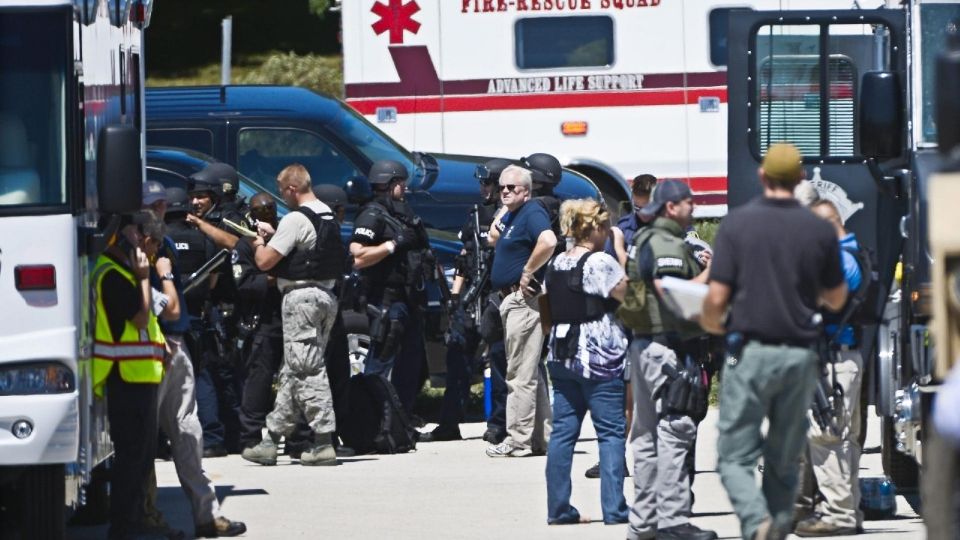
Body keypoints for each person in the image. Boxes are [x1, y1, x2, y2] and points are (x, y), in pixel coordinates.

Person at [702, 143, 848, 540]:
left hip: (751, 352)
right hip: (800, 357)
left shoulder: (737, 226)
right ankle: (776, 527)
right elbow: (836, 297)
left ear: (763, 177)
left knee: (734, 456)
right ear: (801, 179)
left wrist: (712, 325)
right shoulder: (818, 229)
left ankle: (756, 520)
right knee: (784, 459)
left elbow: (716, 300)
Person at [136, 200, 246, 538]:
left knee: (188, 431)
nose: (160, 211)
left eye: (163, 206)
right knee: (141, 444)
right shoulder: (129, 253)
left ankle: (206, 515)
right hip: (145, 356)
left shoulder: (163, 243)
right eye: (153, 206)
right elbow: (160, 304)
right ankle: (146, 517)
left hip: (173, 345)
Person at [620, 179, 716, 540]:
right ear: (671, 207)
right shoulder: (664, 243)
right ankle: (673, 521)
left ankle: (644, 524)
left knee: (645, 438)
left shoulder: (645, 238)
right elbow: (672, 295)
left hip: (646, 346)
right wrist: (714, 272)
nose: (694, 207)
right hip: (666, 350)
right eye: (688, 202)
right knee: (676, 433)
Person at [242, 164, 343, 466]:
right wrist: (277, 234)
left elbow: (264, 262)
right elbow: (307, 247)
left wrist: (259, 241)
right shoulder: (326, 213)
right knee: (294, 371)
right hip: (325, 297)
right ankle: (271, 440)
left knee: (308, 370)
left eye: (283, 191)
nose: (282, 198)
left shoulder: (295, 218)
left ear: (291, 189)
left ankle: (324, 441)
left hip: (301, 300)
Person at [543, 199, 630, 525]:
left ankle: (559, 508)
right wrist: (621, 253)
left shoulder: (556, 264)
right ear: (593, 227)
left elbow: (547, 308)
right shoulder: (601, 263)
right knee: (610, 432)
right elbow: (631, 297)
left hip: (562, 352)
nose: (609, 232)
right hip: (599, 356)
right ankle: (615, 509)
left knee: (564, 432)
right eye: (606, 226)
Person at [420, 159, 511, 443]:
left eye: (487, 183)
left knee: (498, 362)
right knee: (457, 360)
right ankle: (449, 423)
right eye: (481, 183)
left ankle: (498, 425)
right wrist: (456, 297)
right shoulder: (475, 215)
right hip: (471, 298)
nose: (482, 188)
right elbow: (464, 257)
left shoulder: (509, 217)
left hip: (495, 298)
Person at [91, 211, 166, 540]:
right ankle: (125, 527)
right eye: (137, 232)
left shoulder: (120, 271)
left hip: (137, 375)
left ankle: (133, 521)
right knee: (130, 459)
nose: (141, 240)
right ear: (123, 234)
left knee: (138, 457)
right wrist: (146, 277)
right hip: (125, 377)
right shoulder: (113, 274)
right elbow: (138, 319)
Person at [794, 199, 864, 537]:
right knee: (843, 438)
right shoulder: (850, 253)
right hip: (842, 357)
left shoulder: (841, 258)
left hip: (835, 361)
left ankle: (838, 513)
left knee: (826, 435)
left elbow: (823, 298)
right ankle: (847, 509)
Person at [349, 159, 431, 414]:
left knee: (411, 366)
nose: (404, 188)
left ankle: (399, 420)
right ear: (390, 184)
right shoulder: (372, 214)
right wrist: (392, 245)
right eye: (400, 183)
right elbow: (357, 257)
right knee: (380, 363)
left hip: (409, 299)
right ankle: (374, 420)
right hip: (386, 300)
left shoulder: (401, 213)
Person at [485, 165, 556, 458]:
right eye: (501, 187)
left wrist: (528, 271)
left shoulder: (532, 212)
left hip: (524, 301)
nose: (504, 191)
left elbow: (549, 240)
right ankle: (541, 438)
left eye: (511, 188)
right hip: (514, 301)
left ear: (526, 191)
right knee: (531, 372)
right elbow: (491, 238)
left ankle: (518, 440)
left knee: (519, 374)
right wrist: (503, 212)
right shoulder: (513, 215)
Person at [186, 163, 246, 456]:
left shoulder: (228, 220)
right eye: (193, 197)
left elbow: (238, 244)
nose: (196, 202)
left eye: (202, 196)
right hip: (211, 309)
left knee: (224, 372)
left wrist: (202, 226)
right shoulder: (196, 222)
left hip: (230, 307)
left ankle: (234, 436)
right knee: (216, 370)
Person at [232, 192, 286, 453]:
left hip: (288, 316)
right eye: (260, 212)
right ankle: (250, 436)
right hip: (261, 319)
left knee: (293, 379)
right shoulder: (245, 245)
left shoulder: (285, 239)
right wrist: (270, 281)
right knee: (259, 379)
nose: (265, 216)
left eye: (270, 211)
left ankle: (297, 436)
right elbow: (242, 284)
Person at [606, 174, 658, 266]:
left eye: (648, 208)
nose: (643, 214)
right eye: (637, 208)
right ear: (632, 199)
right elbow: (610, 265)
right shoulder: (623, 229)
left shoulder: (674, 226)